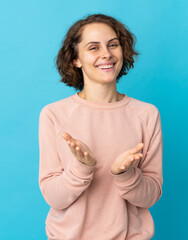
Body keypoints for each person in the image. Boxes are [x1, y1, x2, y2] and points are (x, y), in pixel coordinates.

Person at [38, 13, 163, 240]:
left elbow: (151, 197)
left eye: (113, 45)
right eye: (93, 48)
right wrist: (82, 167)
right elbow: (54, 198)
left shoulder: (147, 114)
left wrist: (126, 174)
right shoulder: (54, 114)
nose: (106, 54)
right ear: (76, 59)